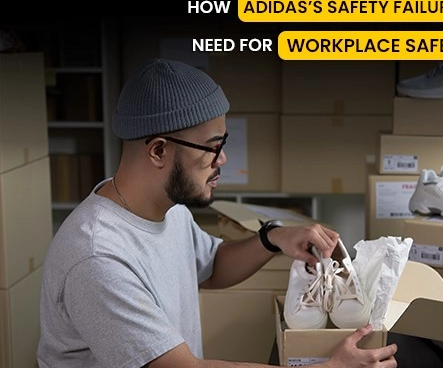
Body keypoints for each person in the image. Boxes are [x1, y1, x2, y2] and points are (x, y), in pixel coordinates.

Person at [37, 58, 398, 368]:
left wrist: (271, 238)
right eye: (213, 147)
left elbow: (211, 266)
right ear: (159, 151)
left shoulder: (165, 208)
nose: (222, 159)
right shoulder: (98, 256)